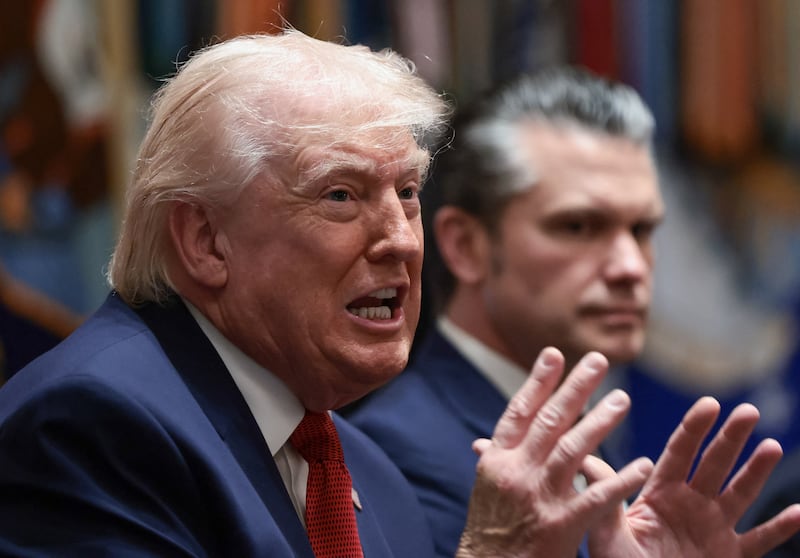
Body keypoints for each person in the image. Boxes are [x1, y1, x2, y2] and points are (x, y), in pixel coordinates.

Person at [0, 30, 796, 558]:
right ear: (205, 241)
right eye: (341, 196)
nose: (400, 241)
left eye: (407, 194)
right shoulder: (91, 425)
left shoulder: (361, 469)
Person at [346, 66, 800, 557]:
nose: (630, 266)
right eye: (579, 226)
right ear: (467, 246)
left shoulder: (571, 428)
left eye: (643, 231)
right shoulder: (394, 455)